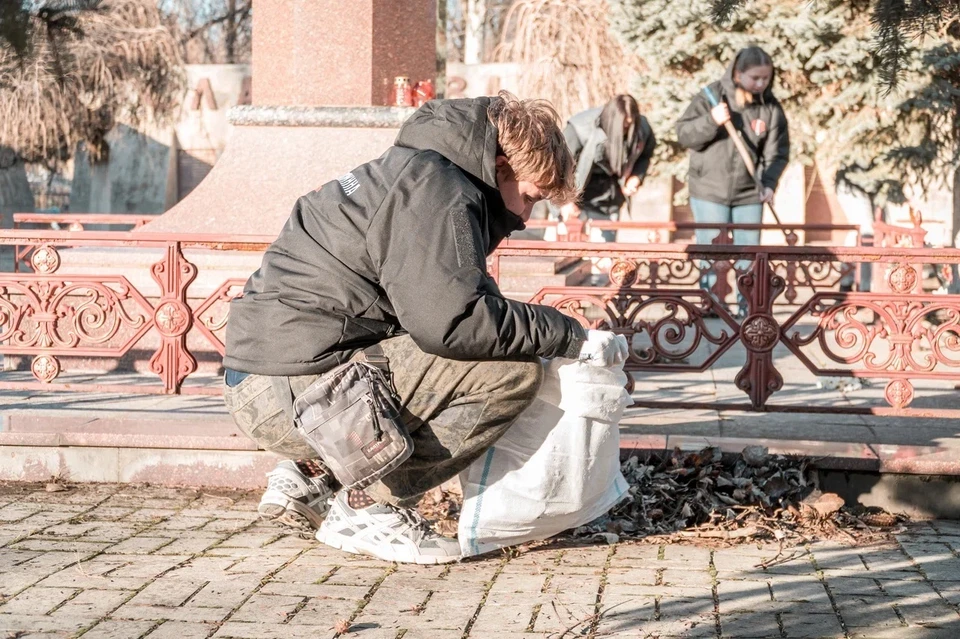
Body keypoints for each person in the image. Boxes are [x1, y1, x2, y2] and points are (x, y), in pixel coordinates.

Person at [222, 92, 630, 565]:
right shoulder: (438, 190)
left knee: (454, 351)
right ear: (500, 167)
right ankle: (371, 507)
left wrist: (545, 329)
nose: (524, 218)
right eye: (531, 197)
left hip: (269, 377)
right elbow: (456, 323)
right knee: (509, 372)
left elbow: (447, 300)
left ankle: (311, 473)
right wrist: (569, 334)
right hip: (285, 392)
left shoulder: (421, 172)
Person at [676, 46, 790, 315]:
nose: (761, 83)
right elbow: (684, 135)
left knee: (749, 253)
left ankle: (746, 305)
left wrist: (770, 183)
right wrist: (711, 121)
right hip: (709, 189)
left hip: (749, 192)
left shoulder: (770, 108)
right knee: (710, 249)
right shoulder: (711, 97)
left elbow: (778, 152)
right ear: (738, 74)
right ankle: (710, 303)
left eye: (766, 78)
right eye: (755, 78)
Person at [559, 94, 657, 242]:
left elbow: (645, 156)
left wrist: (636, 176)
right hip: (575, 200)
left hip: (609, 201)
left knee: (604, 258)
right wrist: (564, 200)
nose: (627, 130)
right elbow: (558, 167)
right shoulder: (579, 128)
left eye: (631, 125)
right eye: (624, 126)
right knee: (571, 259)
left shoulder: (642, 128)